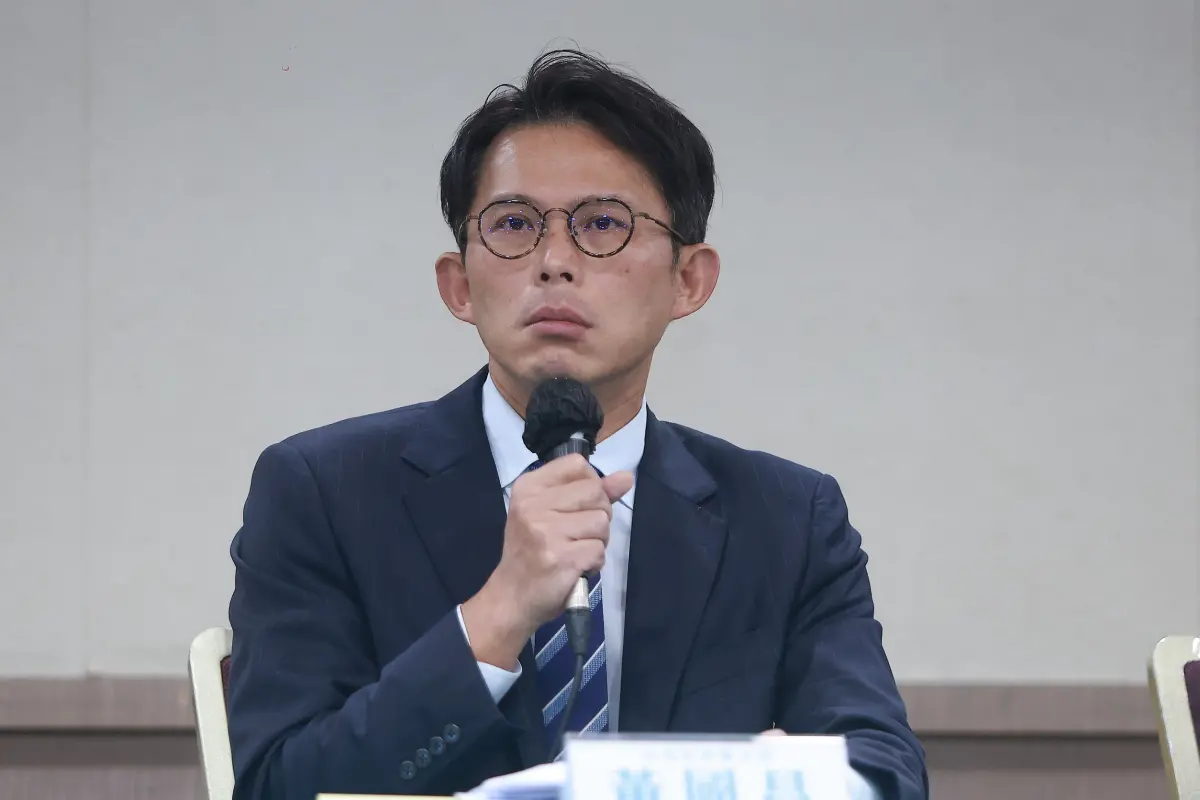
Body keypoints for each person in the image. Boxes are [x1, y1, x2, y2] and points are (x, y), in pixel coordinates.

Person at [226, 49, 928, 800]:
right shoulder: (324, 492)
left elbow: (884, 773)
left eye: (602, 224)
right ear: (459, 286)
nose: (555, 262)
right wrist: (496, 615)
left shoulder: (787, 519)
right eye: (514, 224)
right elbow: (278, 785)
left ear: (688, 281)